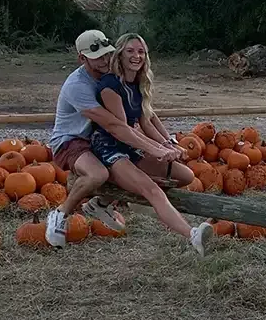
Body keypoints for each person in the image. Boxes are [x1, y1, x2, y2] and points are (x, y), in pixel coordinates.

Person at [47, 29, 183, 248]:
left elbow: (142, 111)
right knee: (98, 174)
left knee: (132, 169)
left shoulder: (111, 73)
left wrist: (166, 141)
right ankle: (61, 213)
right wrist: (155, 148)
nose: (104, 60)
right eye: (97, 57)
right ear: (82, 58)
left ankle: (102, 203)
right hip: (71, 140)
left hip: (99, 137)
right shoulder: (77, 86)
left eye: (107, 54)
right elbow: (114, 124)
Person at [89, 34, 213, 255]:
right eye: (130, 51)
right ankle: (193, 235)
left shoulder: (138, 83)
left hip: (131, 142)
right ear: (119, 54)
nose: (136, 56)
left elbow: (146, 121)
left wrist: (168, 143)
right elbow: (122, 129)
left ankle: (108, 200)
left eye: (140, 51)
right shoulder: (110, 85)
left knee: (185, 176)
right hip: (110, 146)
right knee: (152, 190)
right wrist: (156, 149)